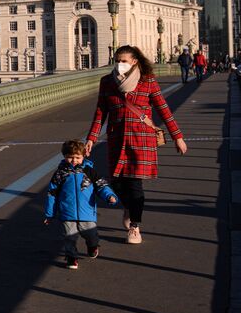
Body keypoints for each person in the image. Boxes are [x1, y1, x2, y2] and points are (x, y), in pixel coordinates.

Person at [85, 45, 187, 245]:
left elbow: (164, 110)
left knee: (134, 183)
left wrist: (178, 137)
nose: (120, 64)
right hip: (117, 138)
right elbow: (100, 113)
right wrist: (91, 138)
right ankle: (129, 208)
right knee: (115, 182)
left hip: (141, 139)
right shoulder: (107, 82)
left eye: (124, 61)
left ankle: (135, 227)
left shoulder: (147, 81)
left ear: (134, 62)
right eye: (117, 60)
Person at [43, 140, 119, 269]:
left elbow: (101, 186)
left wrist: (110, 196)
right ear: (64, 156)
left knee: (90, 234)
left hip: (87, 212)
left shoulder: (89, 171)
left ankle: (93, 246)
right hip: (67, 211)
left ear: (83, 156)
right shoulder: (60, 174)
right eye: (70, 157)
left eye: (77, 157)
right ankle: (71, 257)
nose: (73, 160)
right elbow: (52, 194)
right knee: (69, 236)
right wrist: (50, 214)